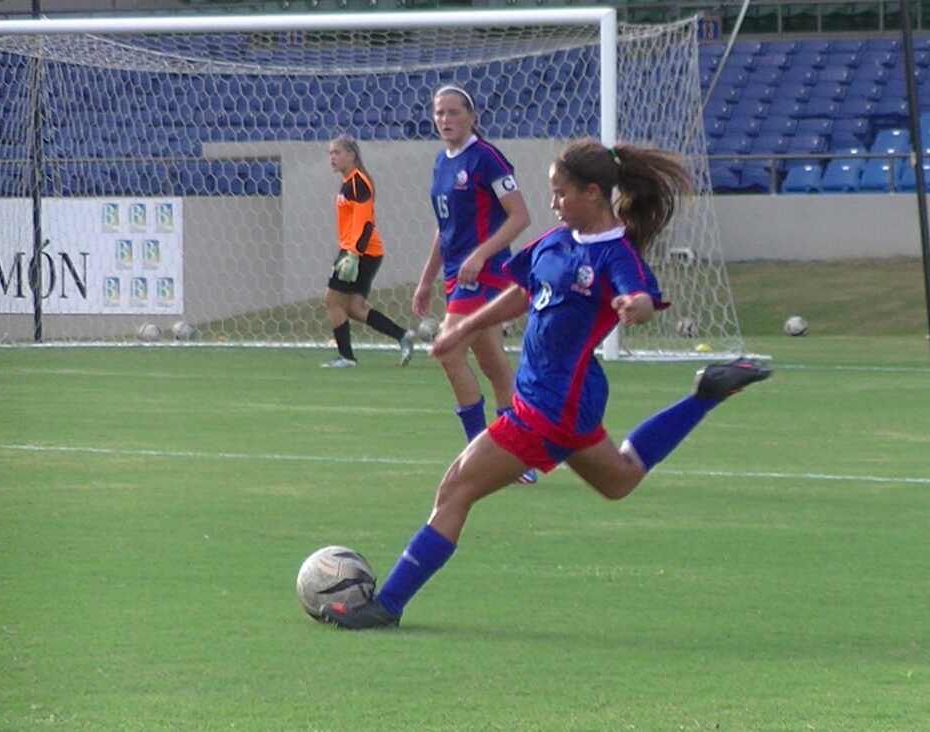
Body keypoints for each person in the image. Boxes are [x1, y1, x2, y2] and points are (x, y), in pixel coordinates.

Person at [321, 138, 771, 630]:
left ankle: (386, 606)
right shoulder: (557, 240)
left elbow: (638, 297)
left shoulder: (615, 254)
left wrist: (635, 307)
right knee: (619, 479)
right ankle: (705, 395)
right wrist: (464, 328)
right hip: (563, 398)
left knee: (454, 490)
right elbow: (521, 292)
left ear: (593, 194)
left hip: (550, 407)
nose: (553, 203)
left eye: (561, 193)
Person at [413, 85, 537, 482]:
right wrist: (426, 280)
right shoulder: (441, 162)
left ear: (471, 116)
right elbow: (445, 228)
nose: (445, 119)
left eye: (453, 112)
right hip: (458, 276)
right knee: (492, 364)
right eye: (439, 113)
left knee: (447, 351)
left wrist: (481, 254)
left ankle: (480, 453)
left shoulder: (486, 158)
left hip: (487, 273)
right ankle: (520, 455)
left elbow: (519, 216)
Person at [321, 134, 414, 368]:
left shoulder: (358, 182)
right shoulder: (349, 181)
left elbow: (365, 223)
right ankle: (402, 335)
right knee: (354, 307)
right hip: (365, 252)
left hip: (359, 252)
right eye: (330, 153)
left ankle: (346, 357)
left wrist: (353, 255)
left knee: (331, 300)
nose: (332, 157)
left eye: (337, 152)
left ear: (351, 155)